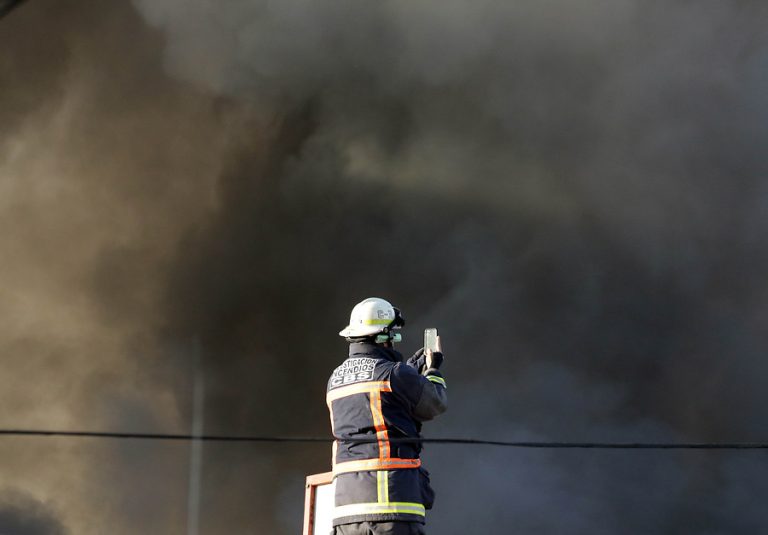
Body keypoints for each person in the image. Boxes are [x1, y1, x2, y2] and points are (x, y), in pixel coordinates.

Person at [327, 297, 448, 535]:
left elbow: (378, 407)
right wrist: (432, 371)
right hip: (391, 504)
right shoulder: (395, 374)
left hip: (345, 510)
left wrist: (410, 372)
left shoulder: (335, 379)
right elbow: (435, 403)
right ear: (384, 338)